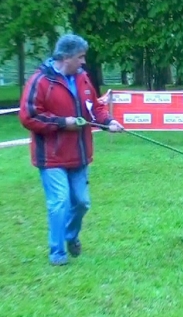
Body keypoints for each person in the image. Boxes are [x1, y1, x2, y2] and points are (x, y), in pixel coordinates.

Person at [19, 33, 124, 266]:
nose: (84, 62)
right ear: (66, 57)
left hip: (79, 155)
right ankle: (57, 253)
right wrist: (61, 122)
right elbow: (28, 116)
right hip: (52, 156)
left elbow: (94, 107)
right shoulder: (40, 81)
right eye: (80, 57)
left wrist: (108, 122)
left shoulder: (83, 78)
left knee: (82, 202)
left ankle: (70, 236)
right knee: (59, 202)